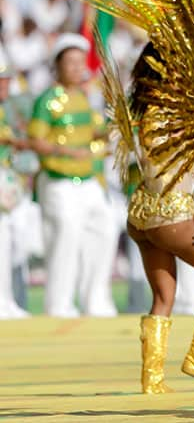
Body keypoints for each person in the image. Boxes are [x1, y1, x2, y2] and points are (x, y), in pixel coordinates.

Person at [106, 41, 194, 393]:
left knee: (163, 297)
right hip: (171, 214)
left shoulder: (147, 107)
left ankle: (152, 379)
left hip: (142, 214)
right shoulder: (175, 109)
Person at [29, 33, 118, 318]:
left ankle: (96, 301)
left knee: (106, 229)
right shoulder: (47, 99)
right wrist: (67, 152)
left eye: (81, 62)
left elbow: (93, 131)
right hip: (58, 181)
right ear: (59, 65)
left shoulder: (83, 97)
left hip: (89, 180)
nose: (78, 68)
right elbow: (36, 140)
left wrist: (118, 128)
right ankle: (59, 305)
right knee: (66, 235)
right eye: (71, 62)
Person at [0, 48, 30, 319]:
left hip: (7, 182)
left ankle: (7, 301)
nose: (5, 85)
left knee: (10, 244)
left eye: (6, 79)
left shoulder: (7, 110)